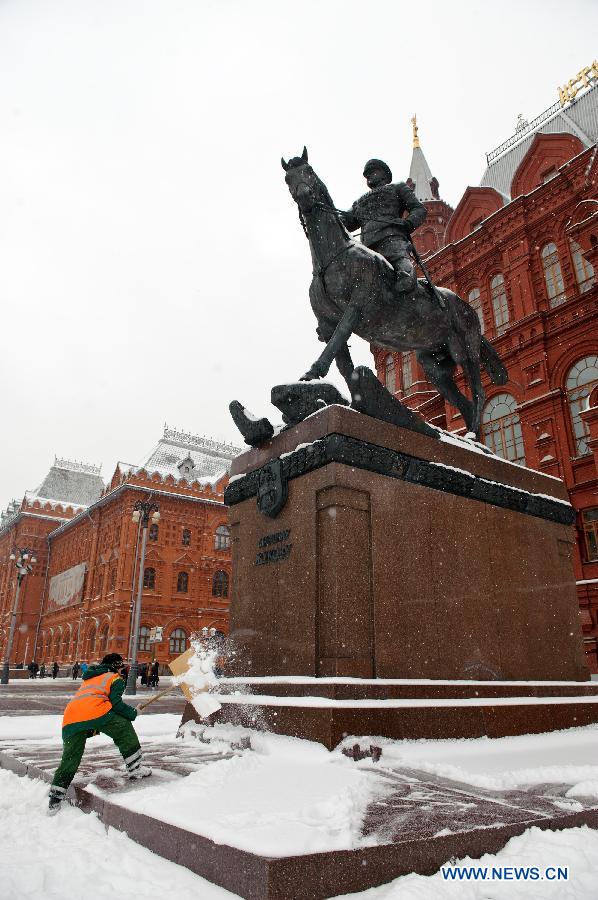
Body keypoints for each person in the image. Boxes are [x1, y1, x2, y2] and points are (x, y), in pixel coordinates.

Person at [48, 653, 151, 814]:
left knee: (70, 757)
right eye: (121, 666)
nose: (122, 670)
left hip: (70, 718)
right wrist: (134, 713)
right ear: (116, 666)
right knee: (124, 728)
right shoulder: (114, 678)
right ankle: (135, 768)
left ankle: (55, 797)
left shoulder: (91, 677)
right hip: (96, 713)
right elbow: (116, 705)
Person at [340, 159, 427, 295]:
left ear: (385, 174)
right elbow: (345, 222)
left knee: (406, 276)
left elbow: (419, 209)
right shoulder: (360, 202)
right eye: (367, 174)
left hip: (392, 241)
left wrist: (408, 223)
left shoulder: (397, 188)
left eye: (372, 172)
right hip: (368, 250)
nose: (368, 176)